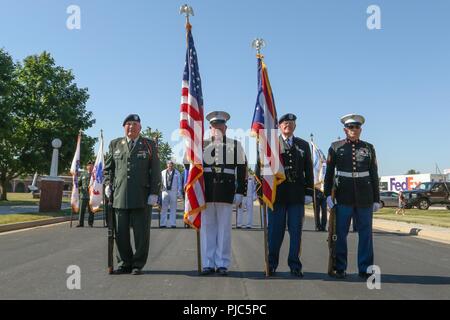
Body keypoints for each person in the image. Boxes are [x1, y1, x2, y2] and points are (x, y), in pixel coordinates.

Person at [324, 114, 380, 280]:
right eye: (350, 127)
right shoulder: (335, 147)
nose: (353, 130)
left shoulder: (369, 147)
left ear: (360, 130)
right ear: (345, 130)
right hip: (343, 195)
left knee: (366, 234)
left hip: (365, 196)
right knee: (340, 233)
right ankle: (340, 267)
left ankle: (366, 268)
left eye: (356, 127)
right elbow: (329, 174)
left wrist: (376, 198)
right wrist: (327, 194)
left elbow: (374, 174)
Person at [104, 114, 161, 275]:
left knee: (141, 233)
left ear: (140, 128)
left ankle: (137, 263)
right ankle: (124, 263)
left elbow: (155, 170)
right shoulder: (115, 144)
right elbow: (108, 169)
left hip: (142, 196)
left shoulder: (149, 145)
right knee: (120, 233)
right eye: (128, 124)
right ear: (124, 127)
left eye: (134, 124)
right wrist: (107, 184)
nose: (131, 127)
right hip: (119, 196)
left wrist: (154, 192)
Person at [266, 113, 314, 278]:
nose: (288, 125)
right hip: (276, 196)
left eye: (291, 123)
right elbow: (263, 169)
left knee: (296, 232)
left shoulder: (303, 145)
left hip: (296, 195)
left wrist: (309, 191)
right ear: (279, 126)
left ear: (295, 126)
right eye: (285, 123)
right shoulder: (271, 145)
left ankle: (295, 265)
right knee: (274, 233)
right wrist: (263, 192)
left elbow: (308, 169)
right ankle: (271, 264)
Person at [201, 111, 247, 276]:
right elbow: (190, 167)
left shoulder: (236, 145)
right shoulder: (201, 145)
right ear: (210, 128)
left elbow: (242, 171)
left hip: (226, 192)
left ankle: (222, 263)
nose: (217, 129)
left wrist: (241, 191)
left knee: (224, 229)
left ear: (226, 128)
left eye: (220, 126)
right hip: (207, 191)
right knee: (207, 229)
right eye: (214, 127)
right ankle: (207, 263)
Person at [160, 160, 182, 228]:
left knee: (173, 208)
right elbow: (160, 182)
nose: (170, 166)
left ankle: (173, 223)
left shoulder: (177, 173)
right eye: (169, 165)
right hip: (165, 191)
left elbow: (179, 183)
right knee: (164, 208)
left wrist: (179, 192)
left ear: (173, 165)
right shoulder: (163, 172)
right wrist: (160, 189)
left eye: (171, 165)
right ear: (167, 165)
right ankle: (163, 223)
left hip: (173, 191)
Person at [76, 161, 95, 228]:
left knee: (91, 211)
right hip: (83, 195)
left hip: (91, 195)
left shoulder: (95, 174)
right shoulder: (83, 174)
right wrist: (79, 187)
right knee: (82, 210)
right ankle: (80, 223)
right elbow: (79, 183)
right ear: (87, 167)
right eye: (89, 165)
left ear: (93, 166)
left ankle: (90, 223)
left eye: (91, 165)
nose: (90, 166)